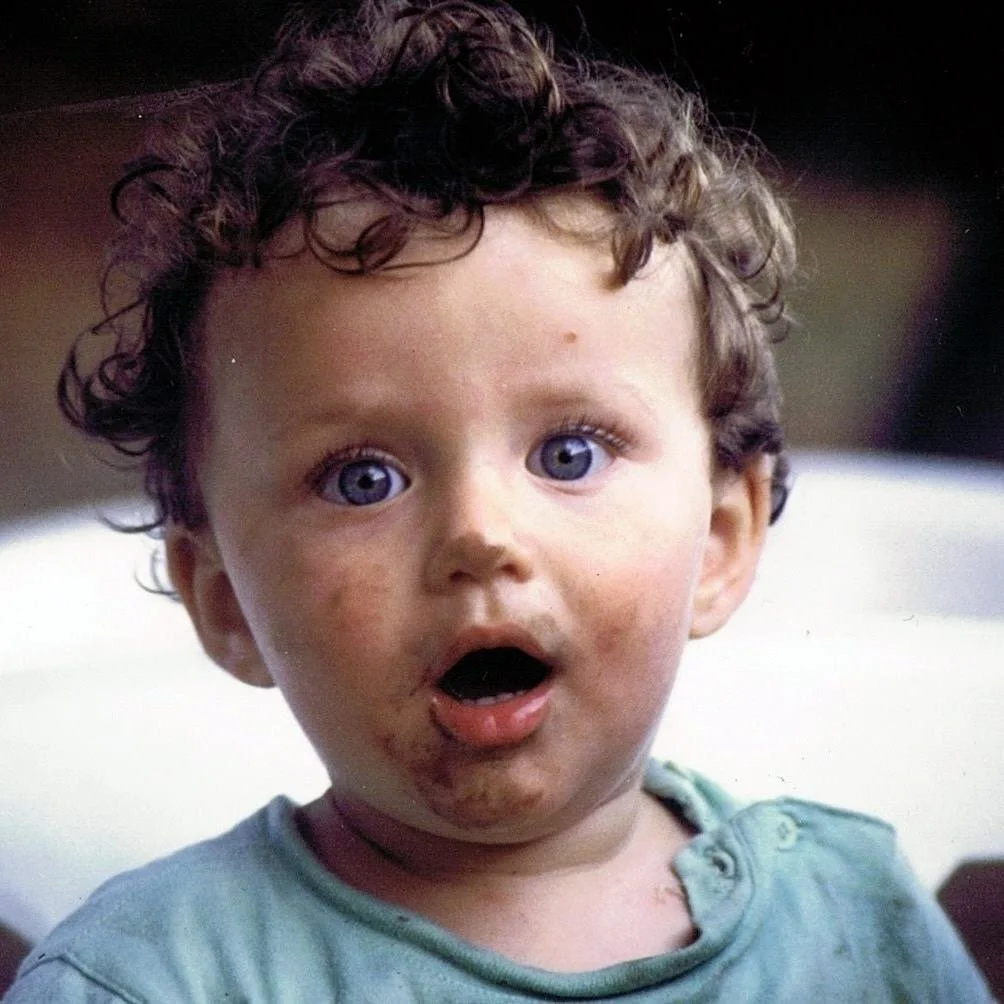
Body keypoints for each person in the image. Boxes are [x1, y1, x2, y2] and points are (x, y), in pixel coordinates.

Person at [6, 1, 991, 999]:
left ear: (722, 534)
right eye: (364, 478)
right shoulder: (155, 979)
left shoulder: (856, 930)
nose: (478, 534)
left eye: (568, 453)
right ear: (222, 599)